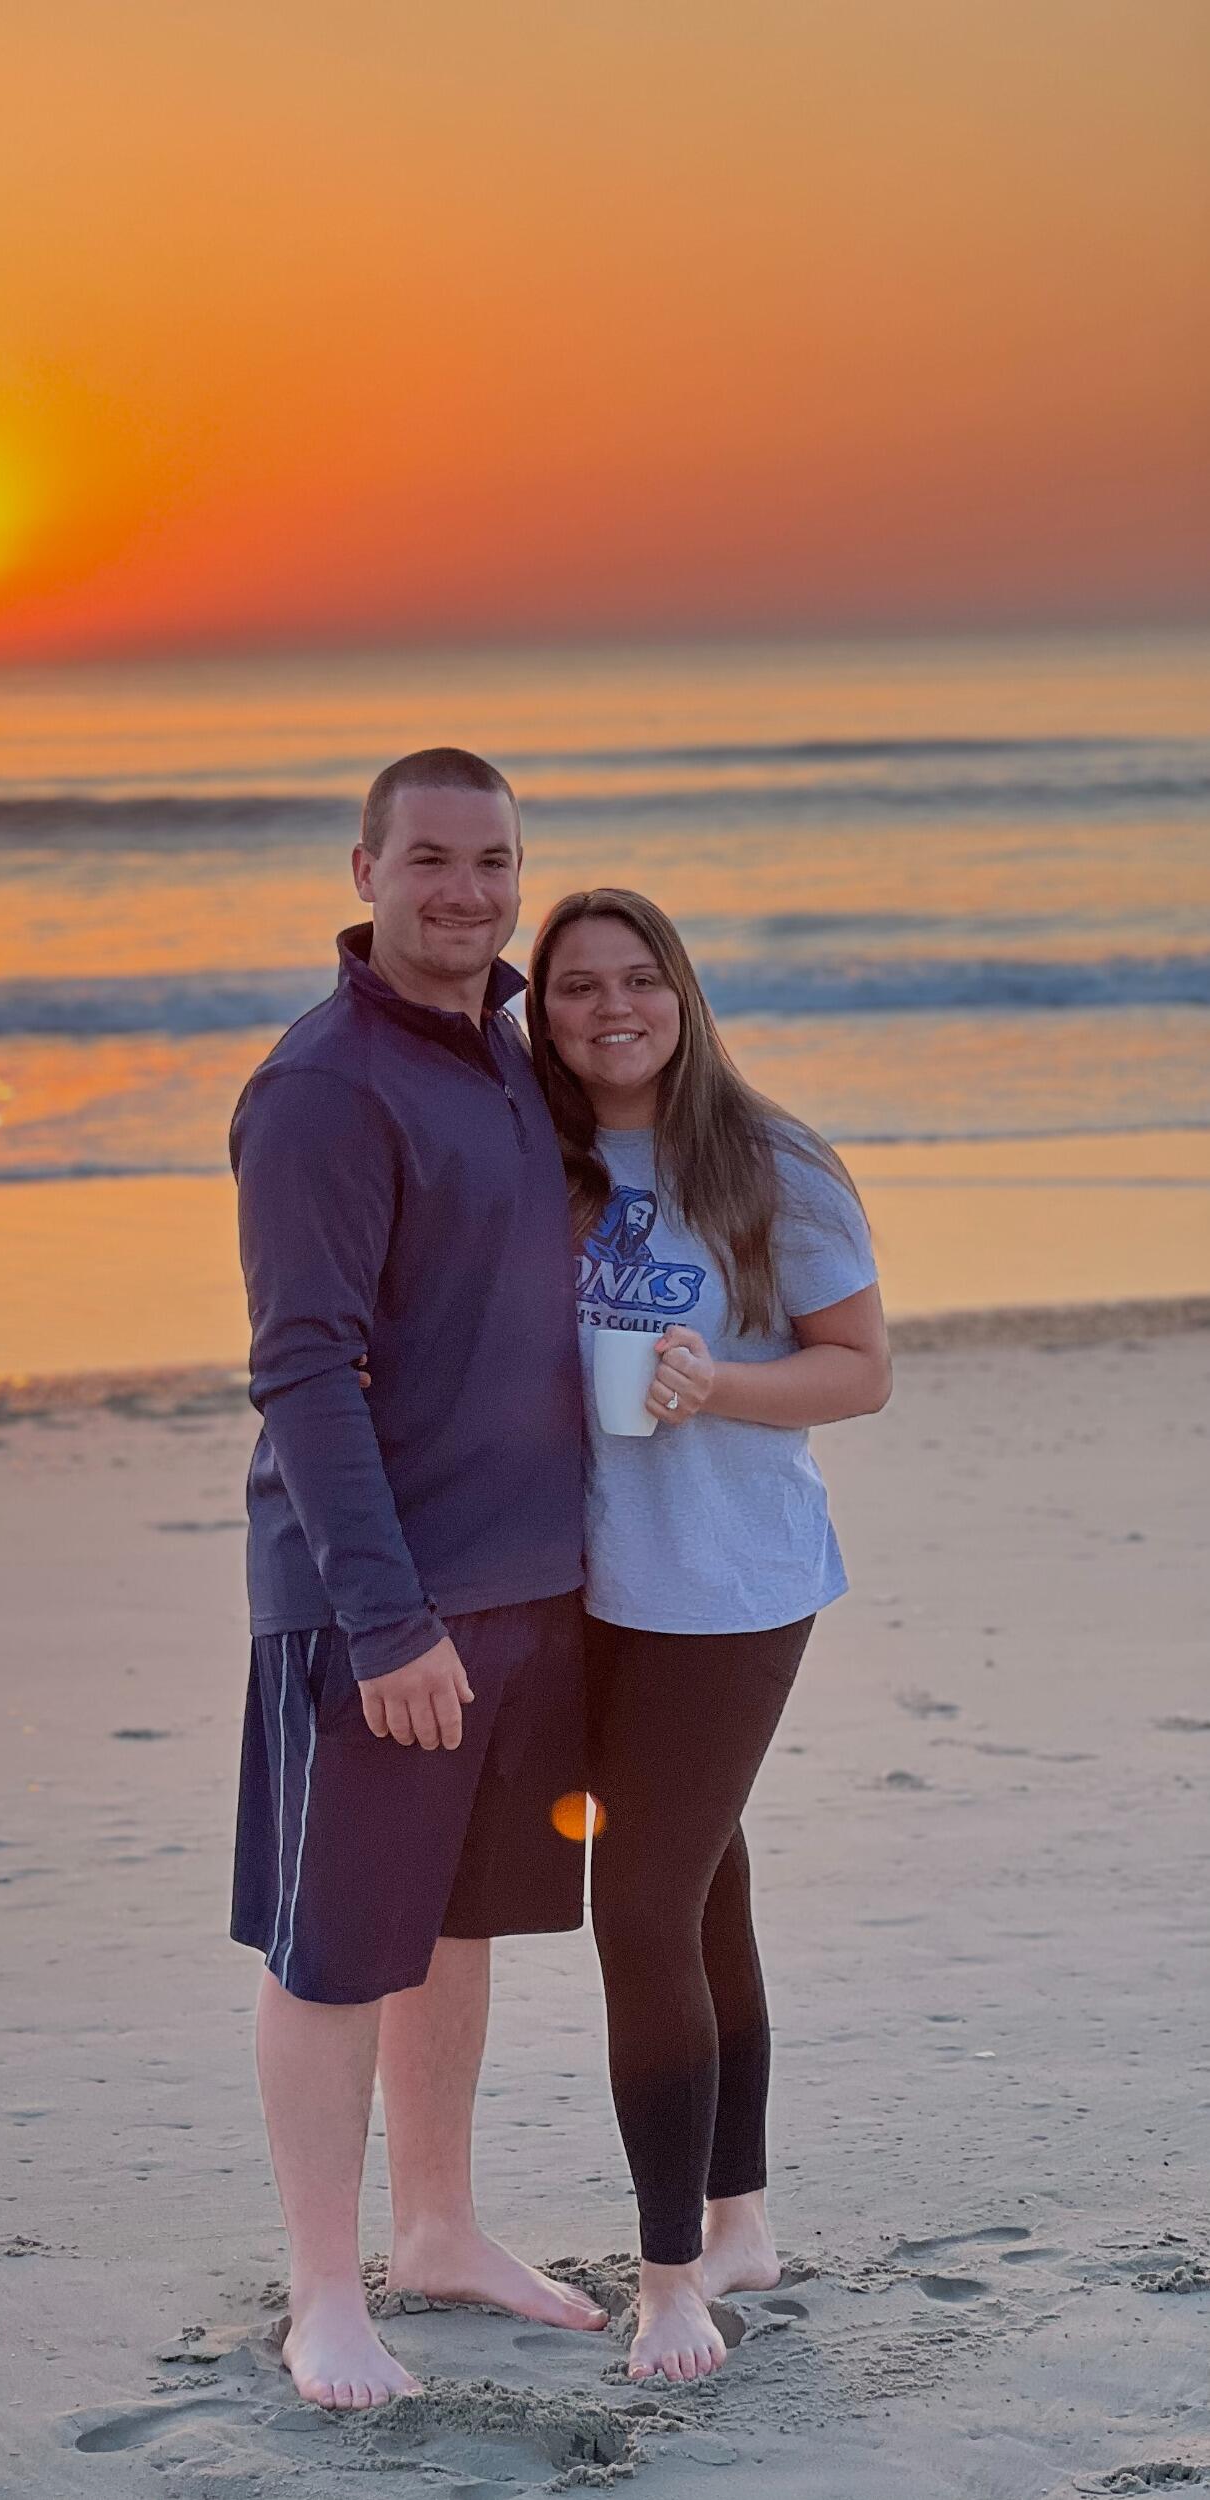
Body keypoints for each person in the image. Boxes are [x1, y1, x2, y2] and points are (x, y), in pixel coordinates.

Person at [228, 749, 605, 2410]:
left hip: (529, 1589)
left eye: (495, 860)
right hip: (376, 1607)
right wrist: (387, 1622)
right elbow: (304, 1371)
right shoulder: (323, 1088)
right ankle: (325, 2292)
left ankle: (439, 2230)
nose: (468, 890)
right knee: (335, 1946)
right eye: (433, 858)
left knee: (456, 1924)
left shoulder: (515, 1054)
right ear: (365, 869)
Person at [524, 886, 892, 2386]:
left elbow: (859, 1369)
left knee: (639, 1903)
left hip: (729, 1586)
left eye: (638, 980)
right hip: (578, 1587)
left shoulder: (770, 1161)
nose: (611, 1009)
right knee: (703, 1886)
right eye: (575, 987)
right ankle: (738, 2219)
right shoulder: (535, 1159)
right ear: (541, 1014)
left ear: (681, 993)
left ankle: (671, 2277)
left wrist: (717, 1387)